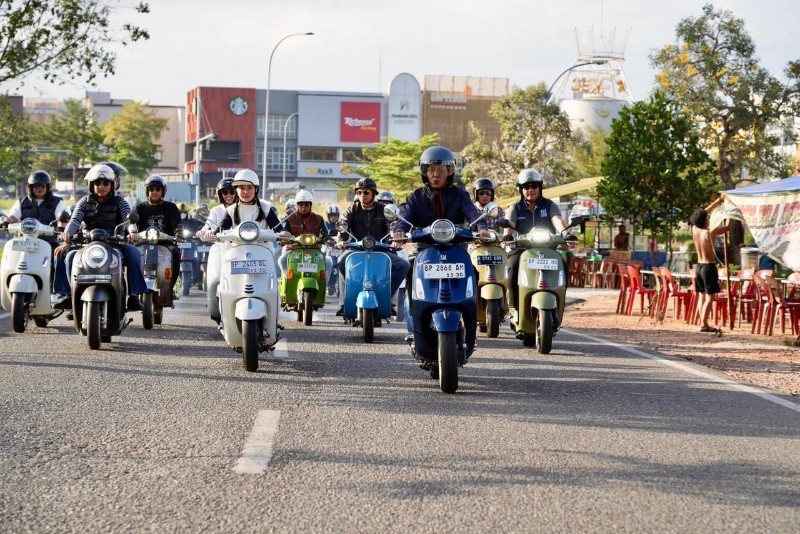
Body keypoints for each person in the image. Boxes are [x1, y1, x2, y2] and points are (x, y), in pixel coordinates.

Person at [391, 145, 489, 343]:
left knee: (473, 272)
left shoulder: (460, 195)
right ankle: (414, 322)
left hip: (456, 249)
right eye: (431, 170)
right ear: (425, 173)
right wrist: (399, 229)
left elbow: (472, 213)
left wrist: (483, 228)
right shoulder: (416, 196)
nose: (435, 175)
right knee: (411, 274)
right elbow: (404, 214)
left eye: (440, 170)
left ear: (450, 172)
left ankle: (473, 320)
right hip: (424, 250)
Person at [53, 164, 148, 311]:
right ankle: (68, 295)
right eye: (97, 183)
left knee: (134, 253)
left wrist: (133, 232)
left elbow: (128, 220)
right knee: (65, 255)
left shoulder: (120, 202)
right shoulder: (84, 202)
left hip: (114, 244)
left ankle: (134, 296)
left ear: (112, 185)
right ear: (92, 185)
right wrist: (67, 237)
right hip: (86, 245)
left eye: (105, 183)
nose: (101, 186)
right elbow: (75, 221)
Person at [335, 177, 409, 317]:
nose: (362, 195)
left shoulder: (384, 210)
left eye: (366, 192)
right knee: (341, 262)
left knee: (403, 265)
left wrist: (395, 240)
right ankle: (346, 301)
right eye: (359, 192)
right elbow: (343, 226)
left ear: (374, 194)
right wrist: (342, 240)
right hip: (357, 249)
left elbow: (392, 226)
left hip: (381, 249)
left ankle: (386, 298)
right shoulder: (352, 210)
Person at [503, 168, 567, 322]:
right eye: (526, 187)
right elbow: (509, 224)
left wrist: (565, 233)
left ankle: (559, 303)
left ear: (539, 187)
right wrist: (507, 235)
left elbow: (556, 219)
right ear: (521, 189)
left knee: (564, 265)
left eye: (534, 186)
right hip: (522, 248)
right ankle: (514, 307)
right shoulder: (515, 208)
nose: (530, 190)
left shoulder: (549, 205)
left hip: (547, 248)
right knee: (512, 266)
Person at [131, 175, 182, 294]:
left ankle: (169, 289)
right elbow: (132, 223)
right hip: (143, 243)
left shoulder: (171, 207)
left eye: (158, 189)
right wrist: (132, 233)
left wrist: (178, 233)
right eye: (151, 189)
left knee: (176, 254)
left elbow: (177, 224)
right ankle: (133, 291)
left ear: (163, 191)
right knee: (131, 257)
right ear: (147, 191)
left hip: (166, 243)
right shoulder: (139, 208)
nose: (154, 192)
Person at [690, 198, 730, 333]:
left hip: (699, 267)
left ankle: (703, 321)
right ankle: (704, 323)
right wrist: (729, 213)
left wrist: (718, 201)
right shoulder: (710, 232)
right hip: (709, 267)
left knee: (702, 296)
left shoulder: (695, 229)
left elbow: (701, 214)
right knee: (710, 297)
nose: (708, 219)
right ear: (704, 221)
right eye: (707, 218)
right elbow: (727, 228)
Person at [277, 190, 330, 277]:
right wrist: (282, 239)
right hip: (293, 251)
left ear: (311, 205)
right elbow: (283, 232)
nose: (303, 207)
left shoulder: (319, 219)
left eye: (306, 204)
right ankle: (288, 283)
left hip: (314, 251)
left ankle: (323, 289)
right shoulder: (289, 219)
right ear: (297, 205)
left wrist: (329, 240)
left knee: (328, 263)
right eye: (301, 204)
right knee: (282, 260)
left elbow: (326, 235)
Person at [324, 205, 341, 296]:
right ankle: (328, 284)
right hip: (327, 248)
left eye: (335, 215)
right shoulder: (325, 225)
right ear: (328, 216)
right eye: (331, 215)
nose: (333, 217)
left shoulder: (341, 225)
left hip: (338, 248)